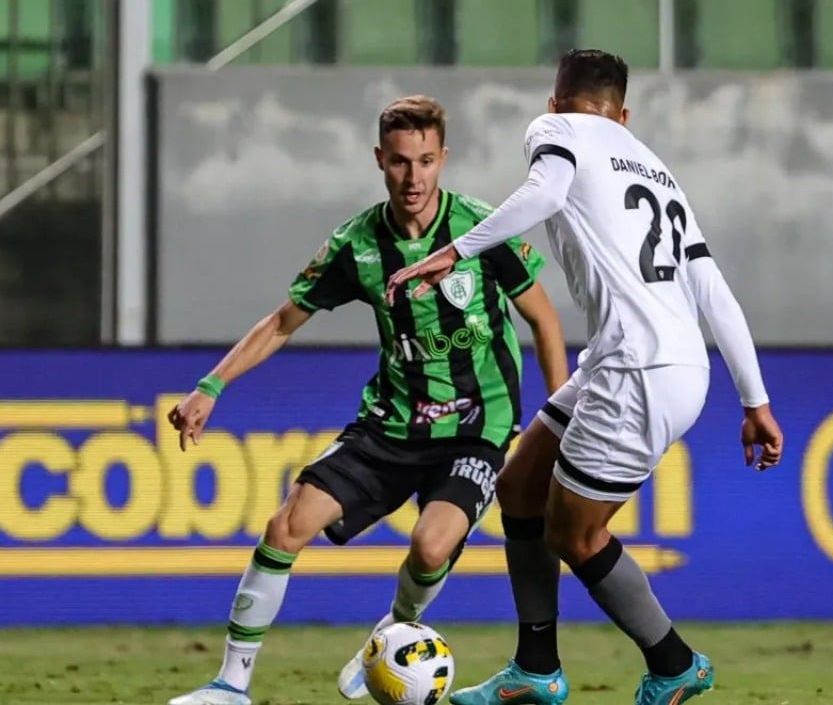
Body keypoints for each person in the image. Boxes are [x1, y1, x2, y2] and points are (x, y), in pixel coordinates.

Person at [385, 50, 785, 705]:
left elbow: (546, 192)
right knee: (518, 486)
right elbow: (713, 293)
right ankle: (536, 669)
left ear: (555, 103)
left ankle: (674, 662)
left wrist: (455, 250)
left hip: (638, 369)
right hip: (660, 363)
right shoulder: (659, 173)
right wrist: (755, 399)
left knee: (574, 532)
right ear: (622, 115)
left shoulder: (557, 132)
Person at [166, 94, 569, 705]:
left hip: (476, 427)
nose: (414, 177)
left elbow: (544, 321)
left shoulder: (484, 229)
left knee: (431, 545)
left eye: (427, 161)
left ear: (443, 159)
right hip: (390, 425)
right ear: (381, 160)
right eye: (402, 162)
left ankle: (391, 629)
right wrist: (211, 385)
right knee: (285, 525)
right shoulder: (356, 245)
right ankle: (230, 685)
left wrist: (556, 421)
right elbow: (281, 321)